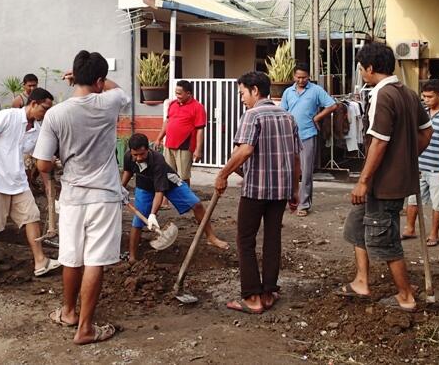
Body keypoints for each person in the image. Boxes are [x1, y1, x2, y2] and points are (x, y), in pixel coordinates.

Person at [33, 50, 129, 345]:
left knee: (72, 258)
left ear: (74, 76)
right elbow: (119, 91)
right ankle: (85, 329)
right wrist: (91, 78)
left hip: (72, 197)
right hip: (104, 196)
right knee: (95, 261)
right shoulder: (108, 102)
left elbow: (43, 165)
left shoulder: (56, 113)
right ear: (99, 80)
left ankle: (69, 311)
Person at [338, 42, 432, 313]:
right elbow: (426, 133)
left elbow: (379, 142)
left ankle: (405, 296)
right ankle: (361, 281)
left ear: (370, 68)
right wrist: (405, 156)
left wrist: (364, 180)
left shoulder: (383, 94)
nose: (361, 73)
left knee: (385, 239)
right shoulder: (409, 94)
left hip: (384, 183)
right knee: (356, 226)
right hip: (390, 179)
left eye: (361, 68)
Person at [215, 71, 300, 314]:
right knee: (272, 239)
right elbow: (296, 158)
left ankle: (252, 297)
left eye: (243, 92)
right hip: (281, 190)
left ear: (255, 90)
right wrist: (294, 190)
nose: (242, 98)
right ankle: (268, 292)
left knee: (245, 240)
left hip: (256, 189)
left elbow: (244, 151)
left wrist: (223, 174)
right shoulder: (287, 116)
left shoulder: (252, 115)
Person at [0, 87, 60, 276]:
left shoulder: (38, 130)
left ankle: (40, 261)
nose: (46, 113)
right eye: (44, 108)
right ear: (34, 103)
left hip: (19, 182)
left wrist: (47, 183)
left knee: (32, 217)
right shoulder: (8, 116)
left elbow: (40, 159)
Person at [121, 133, 228, 263]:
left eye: (142, 154)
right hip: (144, 186)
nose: (138, 158)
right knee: (138, 221)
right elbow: (128, 171)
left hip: (169, 182)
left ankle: (211, 237)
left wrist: (153, 215)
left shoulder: (158, 159)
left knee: (197, 204)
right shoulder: (128, 156)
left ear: (148, 149)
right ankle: (132, 257)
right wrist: (121, 188)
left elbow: (159, 191)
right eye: (135, 155)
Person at [402, 80, 439, 247]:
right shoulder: (422, 112)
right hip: (418, 165)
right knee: (412, 200)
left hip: (438, 166)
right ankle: (410, 229)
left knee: (438, 202)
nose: (426, 99)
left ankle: (434, 233)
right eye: (424, 96)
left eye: (430, 96)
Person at [280, 64, 337, 217]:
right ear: (294, 76)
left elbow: (332, 105)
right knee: (288, 170)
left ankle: (304, 204)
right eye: (298, 77)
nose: (301, 80)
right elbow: (283, 112)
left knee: (306, 172)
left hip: (308, 134)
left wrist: (317, 117)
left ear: (309, 77)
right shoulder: (287, 92)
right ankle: (290, 200)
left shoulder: (316, 90)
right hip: (289, 135)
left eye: (304, 77)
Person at [155, 80, 206, 187]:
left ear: (188, 93)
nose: (177, 96)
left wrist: (198, 150)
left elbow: (200, 130)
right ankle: (166, 201)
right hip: (169, 145)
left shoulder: (198, 107)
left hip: (184, 147)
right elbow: (167, 122)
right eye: (176, 93)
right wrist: (159, 138)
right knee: (168, 174)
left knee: (183, 177)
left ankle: (186, 201)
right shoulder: (172, 104)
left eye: (179, 93)